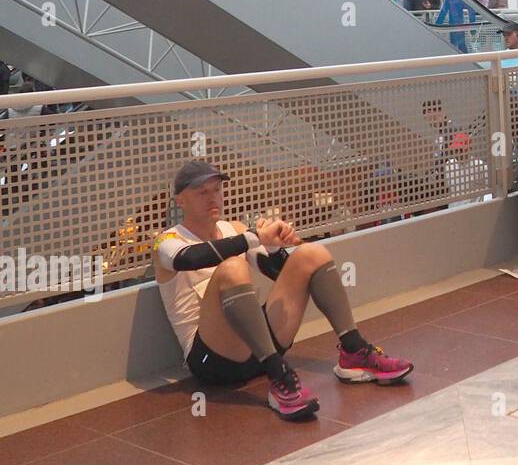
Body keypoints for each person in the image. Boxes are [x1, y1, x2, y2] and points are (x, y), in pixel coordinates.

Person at [154, 161, 413, 421]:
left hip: (257, 350)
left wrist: (275, 248)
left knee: (312, 253)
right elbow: (187, 259)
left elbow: (283, 276)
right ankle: (279, 376)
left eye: (217, 189)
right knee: (232, 267)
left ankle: (354, 351)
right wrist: (254, 237)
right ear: (181, 201)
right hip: (213, 362)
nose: (213, 198)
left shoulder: (234, 229)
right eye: (202, 192)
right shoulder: (167, 241)